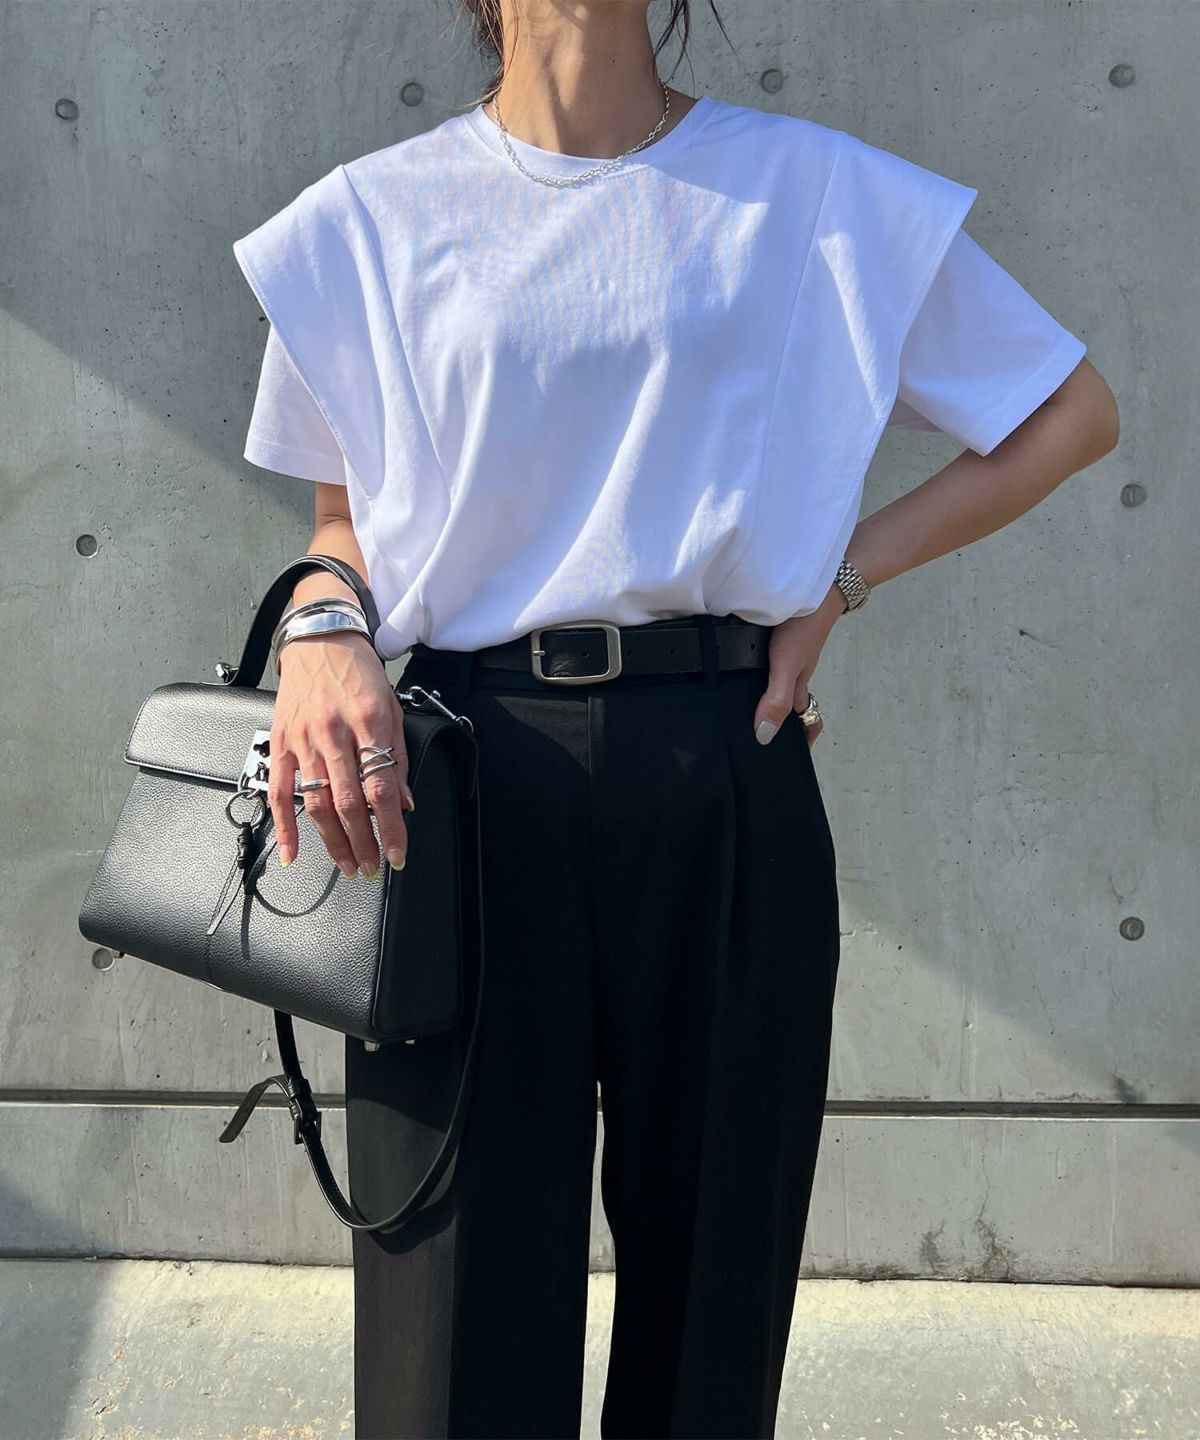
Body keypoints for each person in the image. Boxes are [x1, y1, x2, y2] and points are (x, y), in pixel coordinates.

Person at [231, 3, 1120, 1436]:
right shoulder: (370, 220)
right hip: (463, 785)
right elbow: (349, 525)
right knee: (451, 1322)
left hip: (720, 765)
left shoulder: (816, 196)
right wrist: (321, 630)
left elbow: (1068, 413)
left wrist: (841, 580)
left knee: (715, 1299)